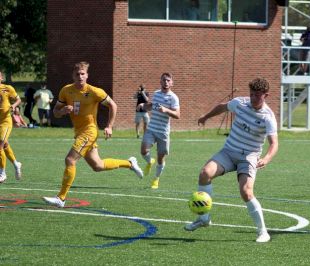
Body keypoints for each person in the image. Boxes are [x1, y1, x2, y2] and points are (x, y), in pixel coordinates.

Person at [184, 78, 279, 243]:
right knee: (205, 173)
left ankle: (263, 232)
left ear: (266, 95)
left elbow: (274, 143)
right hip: (229, 151)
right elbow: (222, 107)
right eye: (251, 94)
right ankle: (204, 219)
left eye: (257, 95)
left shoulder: (268, 117)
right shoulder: (240, 103)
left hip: (249, 156)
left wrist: (267, 158)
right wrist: (206, 117)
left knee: (246, 192)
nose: (253, 98)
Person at [42, 62, 143, 208]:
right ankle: (130, 163)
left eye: (83, 74)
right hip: (79, 132)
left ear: (87, 75)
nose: (80, 76)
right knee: (98, 165)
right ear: (73, 76)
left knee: (70, 160)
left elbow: (113, 105)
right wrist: (62, 111)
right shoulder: (66, 91)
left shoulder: (95, 91)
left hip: (90, 131)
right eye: (77, 74)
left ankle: (61, 198)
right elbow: (56, 112)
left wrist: (109, 126)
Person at [138, 73, 180, 189]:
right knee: (143, 151)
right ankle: (149, 161)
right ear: (160, 82)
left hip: (163, 132)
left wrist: (166, 110)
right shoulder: (156, 94)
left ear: (172, 83)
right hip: (151, 129)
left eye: (168, 80)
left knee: (160, 159)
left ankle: (156, 179)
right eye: (164, 80)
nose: (166, 82)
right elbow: (152, 106)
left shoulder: (173, 97)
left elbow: (177, 114)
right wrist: (143, 105)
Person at [0, 71, 22, 183]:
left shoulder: (7, 88)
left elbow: (18, 99)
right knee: (5, 145)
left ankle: (2, 173)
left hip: (5, 122)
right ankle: (16, 164)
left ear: (1, 77)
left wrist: (13, 105)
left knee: (0, 145)